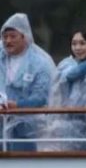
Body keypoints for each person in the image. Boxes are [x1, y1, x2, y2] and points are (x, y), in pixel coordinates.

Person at [0, 13, 55, 151]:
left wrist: (17, 105)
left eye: (13, 36)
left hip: (26, 127)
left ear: (24, 37)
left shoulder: (40, 63)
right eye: (5, 37)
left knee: (22, 161)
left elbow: (42, 97)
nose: (8, 41)